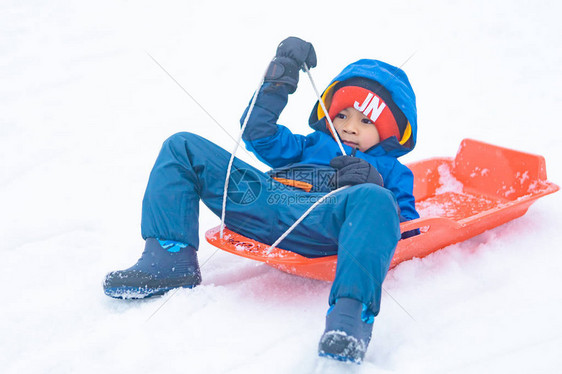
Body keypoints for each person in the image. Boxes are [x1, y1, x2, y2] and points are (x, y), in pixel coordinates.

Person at [103, 37, 419, 364]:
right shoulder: (309, 145)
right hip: (262, 201)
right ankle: (170, 258)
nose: (350, 127)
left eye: (366, 121)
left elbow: (408, 231)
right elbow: (258, 135)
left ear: (391, 133)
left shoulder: (392, 172)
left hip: (324, 223)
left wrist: (373, 186)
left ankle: (350, 316)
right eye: (342, 115)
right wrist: (278, 80)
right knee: (182, 146)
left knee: (375, 199)